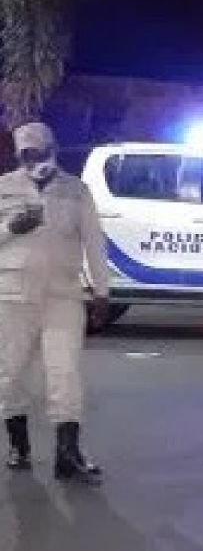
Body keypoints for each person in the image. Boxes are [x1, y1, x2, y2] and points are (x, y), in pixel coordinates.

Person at [0, 122, 110, 484]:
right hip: (13, 296)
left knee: (65, 373)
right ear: (19, 156)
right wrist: (11, 229)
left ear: (55, 149)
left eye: (42, 152)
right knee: (10, 373)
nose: (37, 160)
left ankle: (68, 453)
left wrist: (102, 292)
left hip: (63, 295)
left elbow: (94, 242)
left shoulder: (76, 191)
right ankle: (19, 445)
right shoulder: (4, 189)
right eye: (28, 155)